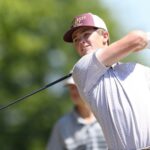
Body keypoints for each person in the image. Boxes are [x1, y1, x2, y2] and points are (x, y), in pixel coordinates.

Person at [63, 12, 150, 150]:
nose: (81, 41)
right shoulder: (81, 69)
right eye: (75, 39)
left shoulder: (139, 71)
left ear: (105, 36)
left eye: (86, 34)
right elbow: (137, 39)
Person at [46, 76, 107, 150]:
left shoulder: (108, 118)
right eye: (71, 87)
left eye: (77, 86)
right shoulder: (62, 125)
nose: (73, 91)